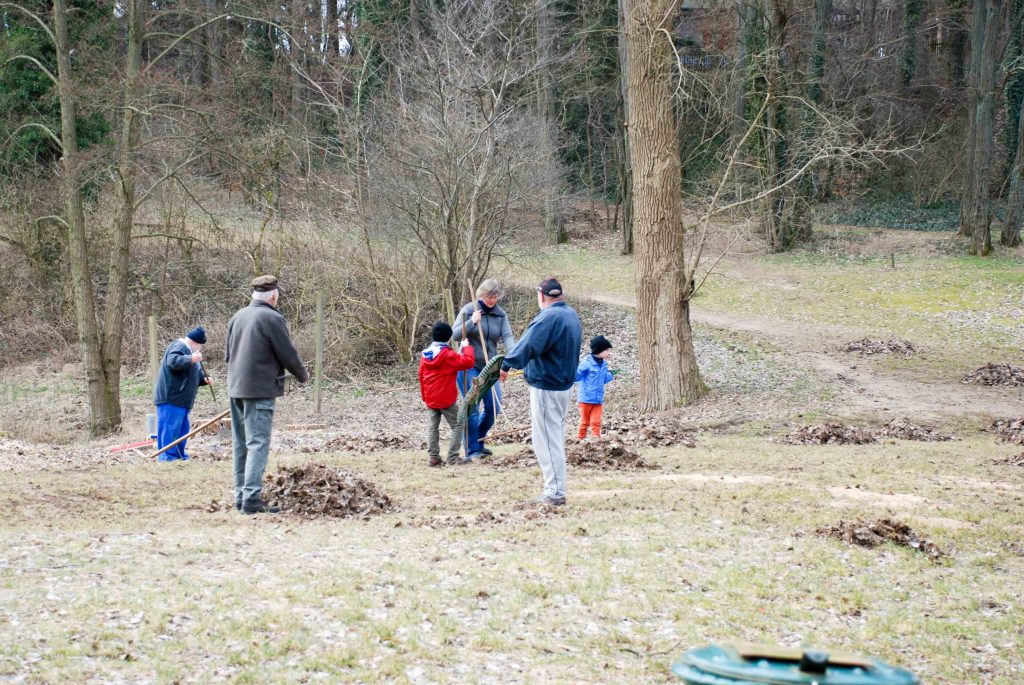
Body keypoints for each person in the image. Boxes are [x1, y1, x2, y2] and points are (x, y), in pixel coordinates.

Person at [225, 275, 309, 515]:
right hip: (259, 391)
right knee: (258, 443)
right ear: (273, 296)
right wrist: (303, 375)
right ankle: (251, 499)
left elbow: (228, 355)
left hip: (236, 389)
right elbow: (287, 353)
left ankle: (240, 497)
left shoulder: (237, 317)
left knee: (241, 445)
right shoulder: (272, 317)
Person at [499, 277, 582, 506]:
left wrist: (505, 364)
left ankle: (555, 492)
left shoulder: (548, 317)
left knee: (546, 440)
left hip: (547, 385)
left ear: (542, 296)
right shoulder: (570, 314)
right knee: (552, 437)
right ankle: (554, 488)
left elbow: (528, 345)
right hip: (563, 384)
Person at [452, 278, 516, 461]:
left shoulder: (500, 315)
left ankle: (478, 441)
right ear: (482, 294)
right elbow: (454, 335)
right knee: (472, 409)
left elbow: (508, 339)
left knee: (494, 406)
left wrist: (509, 363)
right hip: (468, 366)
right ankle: (472, 451)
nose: (492, 300)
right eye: (489, 296)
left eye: (495, 296)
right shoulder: (469, 310)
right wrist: (471, 321)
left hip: (490, 367)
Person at [418, 321, 476, 467]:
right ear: (449, 338)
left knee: (432, 427)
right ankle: (453, 457)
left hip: (430, 398)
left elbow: (421, 375)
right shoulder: (448, 355)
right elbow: (467, 362)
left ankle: (433, 457)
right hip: (445, 398)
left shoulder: (426, 354)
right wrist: (467, 347)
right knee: (459, 424)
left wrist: (425, 396)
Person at [153, 326, 211, 462]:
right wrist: (191, 359)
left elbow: (190, 375)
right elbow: (173, 362)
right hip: (171, 397)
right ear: (196, 343)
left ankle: (179, 456)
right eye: (200, 346)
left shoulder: (189, 352)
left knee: (182, 429)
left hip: (182, 400)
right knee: (170, 428)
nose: (200, 349)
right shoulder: (179, 346)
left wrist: (203, 379)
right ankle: (167, 457)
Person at [576, 335, 615, 439]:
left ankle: (596, 441)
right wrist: (571, 372)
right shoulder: (586, 363)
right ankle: (580, 439)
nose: (609, 353)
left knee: (596, 422)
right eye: (607, 350)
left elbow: (603, 379)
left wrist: (611, 375)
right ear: (599, 350)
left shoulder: (604, 365)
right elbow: (577, 376)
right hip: (585, 399)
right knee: (585, 422)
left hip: (598, 400)